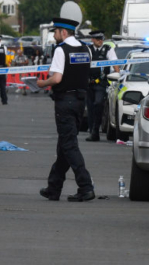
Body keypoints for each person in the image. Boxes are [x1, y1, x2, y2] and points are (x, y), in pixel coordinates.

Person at [36, 17, 96, 202]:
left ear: (63, 32)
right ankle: (53, 188)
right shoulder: (86, 49)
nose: (54, 35)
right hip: (80, 102)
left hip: (65, 102)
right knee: (64, 144)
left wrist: (41, 83)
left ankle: (85, 186)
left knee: (69, 145)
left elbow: (57, 79)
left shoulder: (61, 50)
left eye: (55, 31)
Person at [84, 30, 120, 141]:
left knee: (98, 103)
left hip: (101, 83)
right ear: (92, 39)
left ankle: (95, 129)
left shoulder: (108, 50)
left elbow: (115, 64)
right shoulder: (88, 50)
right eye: (98, 39)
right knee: (90, 107)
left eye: (101, 39)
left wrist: (118, 76)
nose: (100, 41)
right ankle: (93, 132)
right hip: (88, 83)